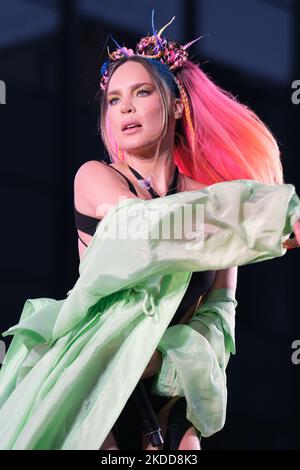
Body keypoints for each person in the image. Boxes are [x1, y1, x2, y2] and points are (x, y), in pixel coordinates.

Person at [0, 11, 299, 451]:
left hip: (167, 395)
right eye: (115, 100)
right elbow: (145, 232)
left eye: (141, 93)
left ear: (177, 104)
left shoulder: (216, 206)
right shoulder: (97, 179)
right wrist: (267, 217)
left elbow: (219, 317)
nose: (125, 108)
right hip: (91, 380)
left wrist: (169, 365)